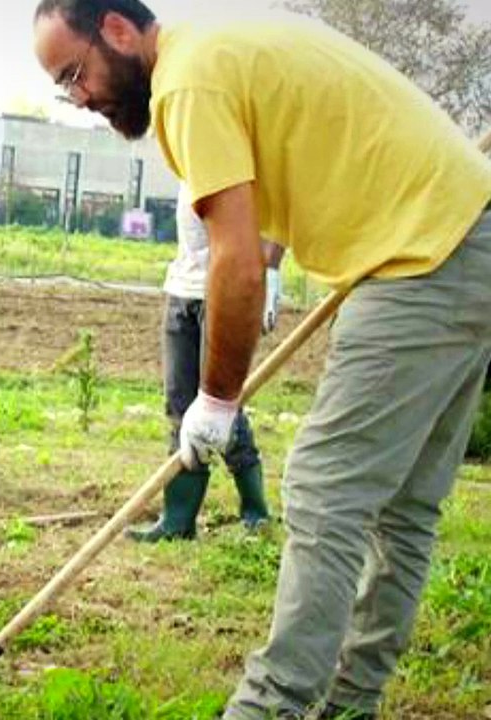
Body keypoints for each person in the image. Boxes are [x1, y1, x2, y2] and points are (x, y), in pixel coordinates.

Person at [32, 2, 491, 718]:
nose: (79, 97)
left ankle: (271, 707)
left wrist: (214, 401)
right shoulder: (219, 48)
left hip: (424, 255)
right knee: (403, 510)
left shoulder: (187, 82)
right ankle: (350, 704)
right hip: (461, 233)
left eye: (73, 74)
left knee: (324, 488)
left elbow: (236, 263)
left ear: (117, 31)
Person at [126, 184, 283, 542]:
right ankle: (177, 521)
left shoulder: (243, 142)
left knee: (223, 407)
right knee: (180, 408)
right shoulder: (186, 142)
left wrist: (269, 272)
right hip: (183, 287)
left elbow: (279, 209)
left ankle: (256, 514)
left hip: (225, 293)